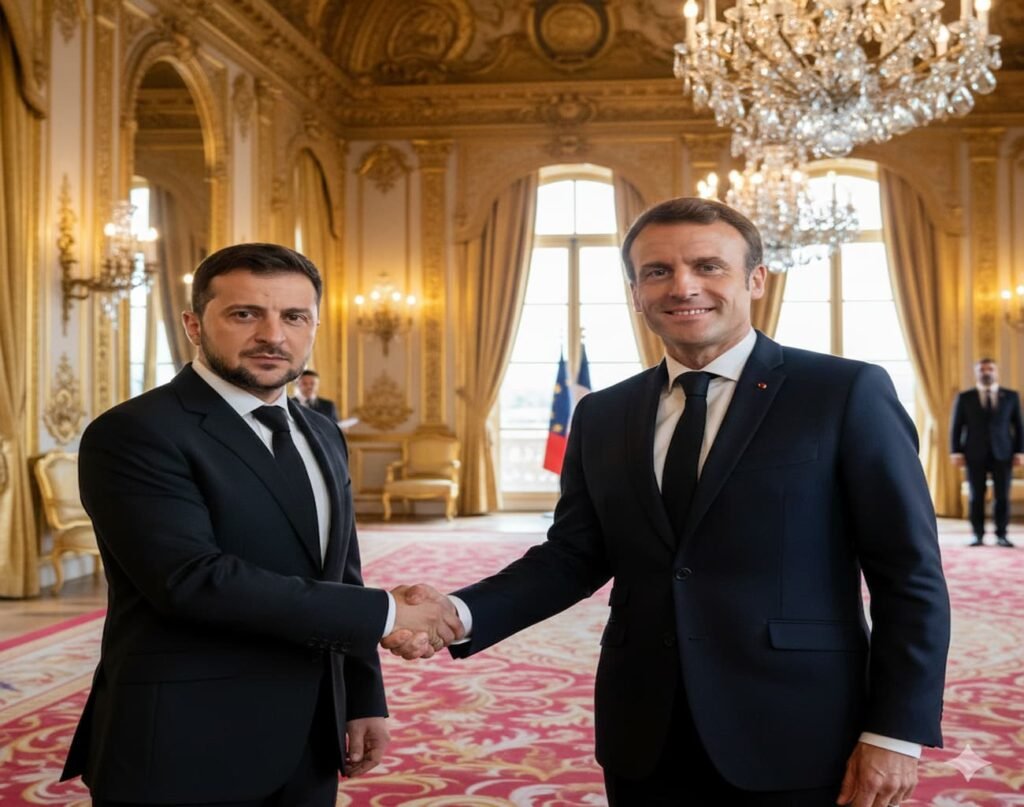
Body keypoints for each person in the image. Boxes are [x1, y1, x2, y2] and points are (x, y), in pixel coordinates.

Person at [384, 198, 951, 807]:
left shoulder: (844, 392)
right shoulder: (603, 413)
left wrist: (895, 730)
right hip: (643, 729)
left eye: (709, 266)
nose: (683, 287)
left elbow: (908, 575)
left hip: (798, 725)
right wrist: (459, 614)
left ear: (755, 279)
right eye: (657, 271)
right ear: (635, 291)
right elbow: (574, 556)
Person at [61, 243, 462, 807]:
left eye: (294, 317)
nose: (273, 335)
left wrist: (364, 696)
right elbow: (192, 580)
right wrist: (389, 612)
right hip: (183, 742)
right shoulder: (135, 432)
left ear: (314, 326)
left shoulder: (322, 433)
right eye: (245, 314)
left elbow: (341, 573)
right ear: (194, 325)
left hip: (310, 740)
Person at [950, 357, 1024, 547]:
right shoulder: (965, 397)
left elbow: (1019, 426)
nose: (986, 372)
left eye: (990, 369)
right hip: (974, 453)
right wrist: (955, 451)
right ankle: (978, 535)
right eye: (982, 369)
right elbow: (956, 426)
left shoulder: (1011, 396)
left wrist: (1020, 452)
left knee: (1002, 496)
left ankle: (1002, 535)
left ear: (996, 372)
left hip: (1004, 453)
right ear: (976, 373)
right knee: (976, 496)